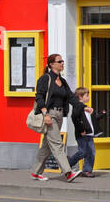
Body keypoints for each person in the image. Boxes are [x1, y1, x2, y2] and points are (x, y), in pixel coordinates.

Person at [30, 53, 82, 182]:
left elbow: (70, 97)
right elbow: (39, 97)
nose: (62, 63)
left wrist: (83, 107)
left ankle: (36, 172)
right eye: (60, 61)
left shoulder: (62, 81)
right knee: (57, 144)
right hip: (49, 115)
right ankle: (68, 172)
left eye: (63, 61)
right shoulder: (45, 79)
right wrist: (45, 114)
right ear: (51, 64)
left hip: (59, 115)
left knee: (47, 145)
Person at [67, 87, 98, 177]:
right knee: (82, 152)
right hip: (82, 134)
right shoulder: (77, 107)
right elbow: (75, 119)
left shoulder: (85, 108)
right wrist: (81, 130)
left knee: (91, 152)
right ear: (80, 97)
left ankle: (87, 170)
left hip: (89, 134)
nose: (89, 97)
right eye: (87, 96)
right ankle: (68, 163)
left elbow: (90, 120)